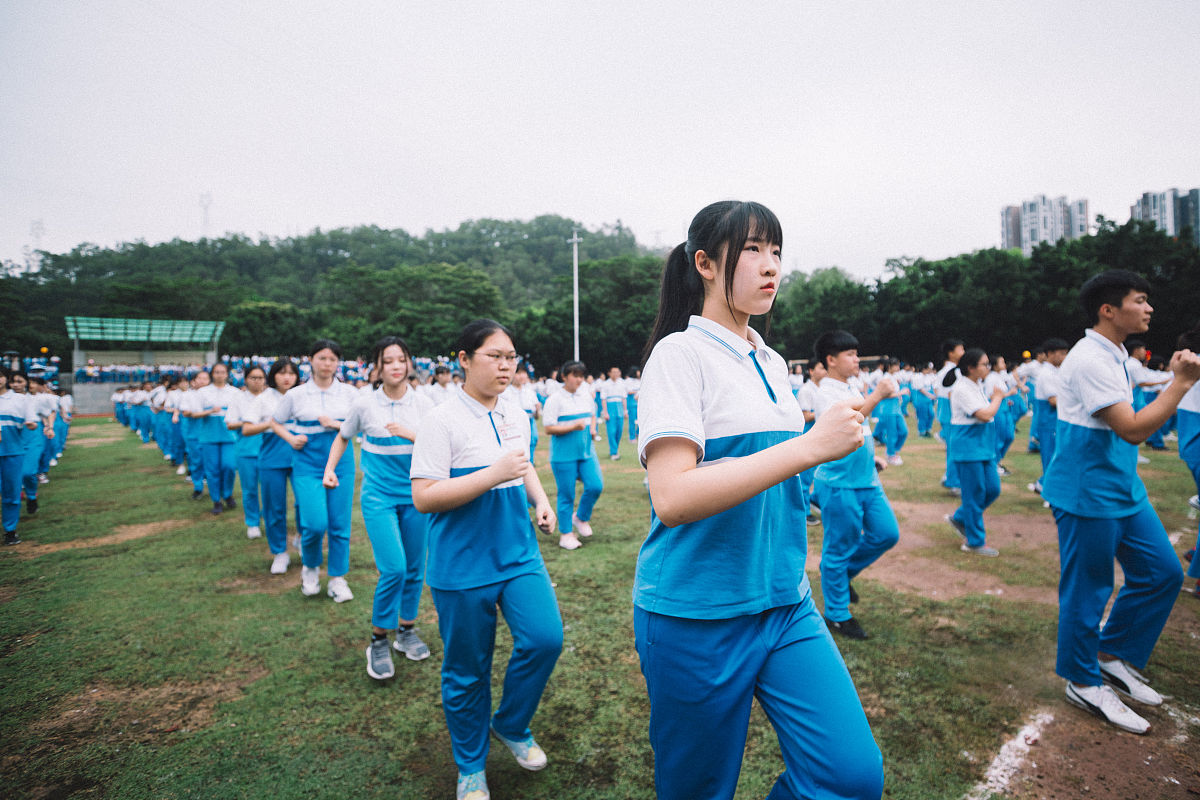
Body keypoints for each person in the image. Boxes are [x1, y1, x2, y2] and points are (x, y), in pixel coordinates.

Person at [635, 201, 882, 800]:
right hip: (697, 613)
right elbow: (672, 496)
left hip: (784, 602)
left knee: (851, 776)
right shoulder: (678, 354)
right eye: (753, 250)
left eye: (776, 251)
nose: (771, 266)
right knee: (698, 789)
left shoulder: (770, 360)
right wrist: (807, 448)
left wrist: (832, 437)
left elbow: (775, 472)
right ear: (706, 264)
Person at [1042, 269, 1200, 735]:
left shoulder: (1115, 355)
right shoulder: (1088, 358)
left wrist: (1173, 376)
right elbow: (1131, 428)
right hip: (1087, 491)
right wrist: (1182, 383)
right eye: (1140, 300)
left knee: (1163, 573)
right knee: (1089, 588)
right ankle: (1082, 680)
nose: (1149, 308)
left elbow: (1143, 386)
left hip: (1122, 487)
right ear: (1109, 310)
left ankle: (1110, 655)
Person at [411, 319, 561, 800]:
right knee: (467, 671)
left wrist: (540, 499)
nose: (505, 365)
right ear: (463, 359)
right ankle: (471, 766)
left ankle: (511, 724)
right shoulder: (440, 420)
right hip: (462, 563)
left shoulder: (515, 412)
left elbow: (523, 465)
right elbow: (425, 497)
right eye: (494, 355)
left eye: (511, 356)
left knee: (544, 639)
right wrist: (491, 474)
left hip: (518, 551)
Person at [324, 336, 435, 680]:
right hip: (379, 498)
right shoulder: (363, 404)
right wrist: (330, 469)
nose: (396, 366)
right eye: (388, 361)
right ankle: (378, 639)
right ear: (377, 367)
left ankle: (406, 630)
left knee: (416, 569)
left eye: (401, 359)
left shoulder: (425, 404)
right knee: (395, 568)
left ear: (410, 364)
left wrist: (412, 434)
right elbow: (343, 435)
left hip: (417, 496)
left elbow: (439, 445)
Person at [812, 330, 901, 640]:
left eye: (856, 353)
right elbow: (847, 423)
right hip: (839, 483)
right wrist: (877, 395)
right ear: (830, 360)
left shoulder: (850, 385)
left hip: (865, 478)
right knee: (838, 548)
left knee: (887, 533)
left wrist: (872, 459)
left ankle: (841, 574)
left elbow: (860, 432)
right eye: (849, 354)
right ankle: (837, 614)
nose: (856, 359)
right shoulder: (825, 392)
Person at [272, 340, 358, 601]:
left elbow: (361, 427)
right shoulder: (296, 395)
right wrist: (290, 438)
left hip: (341, 463)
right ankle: (310, 568)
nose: (327, 363)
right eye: (322, 358)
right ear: (311, 360)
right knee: (314, 522)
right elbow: (275, 422)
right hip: (307, 464)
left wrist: (336, 424)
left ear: (338, 363)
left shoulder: (350, 394)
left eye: (332, 359)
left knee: (339, 524)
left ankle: (337, 578)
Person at [945, 348, 1005, 556]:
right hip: (968, 448)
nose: (988, 368)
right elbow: (984, 415)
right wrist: (998, 397)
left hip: (983, 447)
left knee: (992, 489)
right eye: (984, 364)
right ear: (970, 368)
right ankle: (974, 541)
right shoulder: (962, 388)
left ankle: (961, 517)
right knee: (974, 493)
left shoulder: (975, 385)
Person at [244, 358, 300, 574]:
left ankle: (303, 539)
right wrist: (269, 423)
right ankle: (279, 552)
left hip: (301, 456)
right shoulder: (263, 399)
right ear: (273, 375)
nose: (287, 378)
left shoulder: (303, 395)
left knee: (305, 503)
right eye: (282, 373)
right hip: (272, 456)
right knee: (274, 506)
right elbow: (247, 429)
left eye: (291, 373)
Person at [542, 360, 604, 550]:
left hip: (586, 451)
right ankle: (566, 534)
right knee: (566, 494)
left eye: (581, 376)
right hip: (563, 455)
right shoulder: (555, 399)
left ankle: (580, 517)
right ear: (564, 377)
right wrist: (573, 426)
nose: (579, 380)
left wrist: (592, 429)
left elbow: (593, 414)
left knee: (595, 486)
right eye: (575, 376)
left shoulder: (585, 395)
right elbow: (548, 428)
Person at [194, 363, 241, 516]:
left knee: (229, 466)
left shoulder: (235, 392)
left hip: (229, 435)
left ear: (227, 374)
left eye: (223, 372)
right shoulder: (203, 392)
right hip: (209, 435)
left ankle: (227, 494)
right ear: (212, 374)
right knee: (212, 469)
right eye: (216, 372)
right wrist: (209, 411)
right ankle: (216, 499)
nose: (220, 375)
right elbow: (195, 413)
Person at [228, 365, 267, 539]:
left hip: (269, 450)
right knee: (250, 489)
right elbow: (230, 423)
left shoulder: (270, 398)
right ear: (246, 379)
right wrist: (250, 422)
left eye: (260, 377)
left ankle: (268, 516)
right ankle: (252, 522)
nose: (257, 381)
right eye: (253, 377)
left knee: (270, 489)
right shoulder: (238, 399)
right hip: (246, 450)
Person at [0, 368, 38, 544]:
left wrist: (31, 425)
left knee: (11, 492)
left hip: (12, 452)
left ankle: (10, 531)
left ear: (5, 379)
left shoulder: (20, 400)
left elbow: (31, 421)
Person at [935, 338, 964, 494]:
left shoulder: (944, 371)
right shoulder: (953, 372)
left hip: (946, 413)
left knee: (953, 448)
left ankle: (950, 478)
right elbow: (953, 395)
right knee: (955, 449)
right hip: (952, 414)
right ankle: (953, 482)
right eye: (961, 349)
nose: (963, 353)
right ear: (951, 353)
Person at [599, 366, 627, 460]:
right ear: (609, 373)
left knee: (619, 431)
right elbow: (603, 399)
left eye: (617, 372)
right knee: (611, 431)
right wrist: (605, 412)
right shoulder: (606, 384)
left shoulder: (622, 383)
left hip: (619, 406)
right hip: (610, 407)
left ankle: (615, 449)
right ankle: (613, 452)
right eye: (613, 372)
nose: (616, 374)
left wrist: (625, 410)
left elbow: (624, 398)